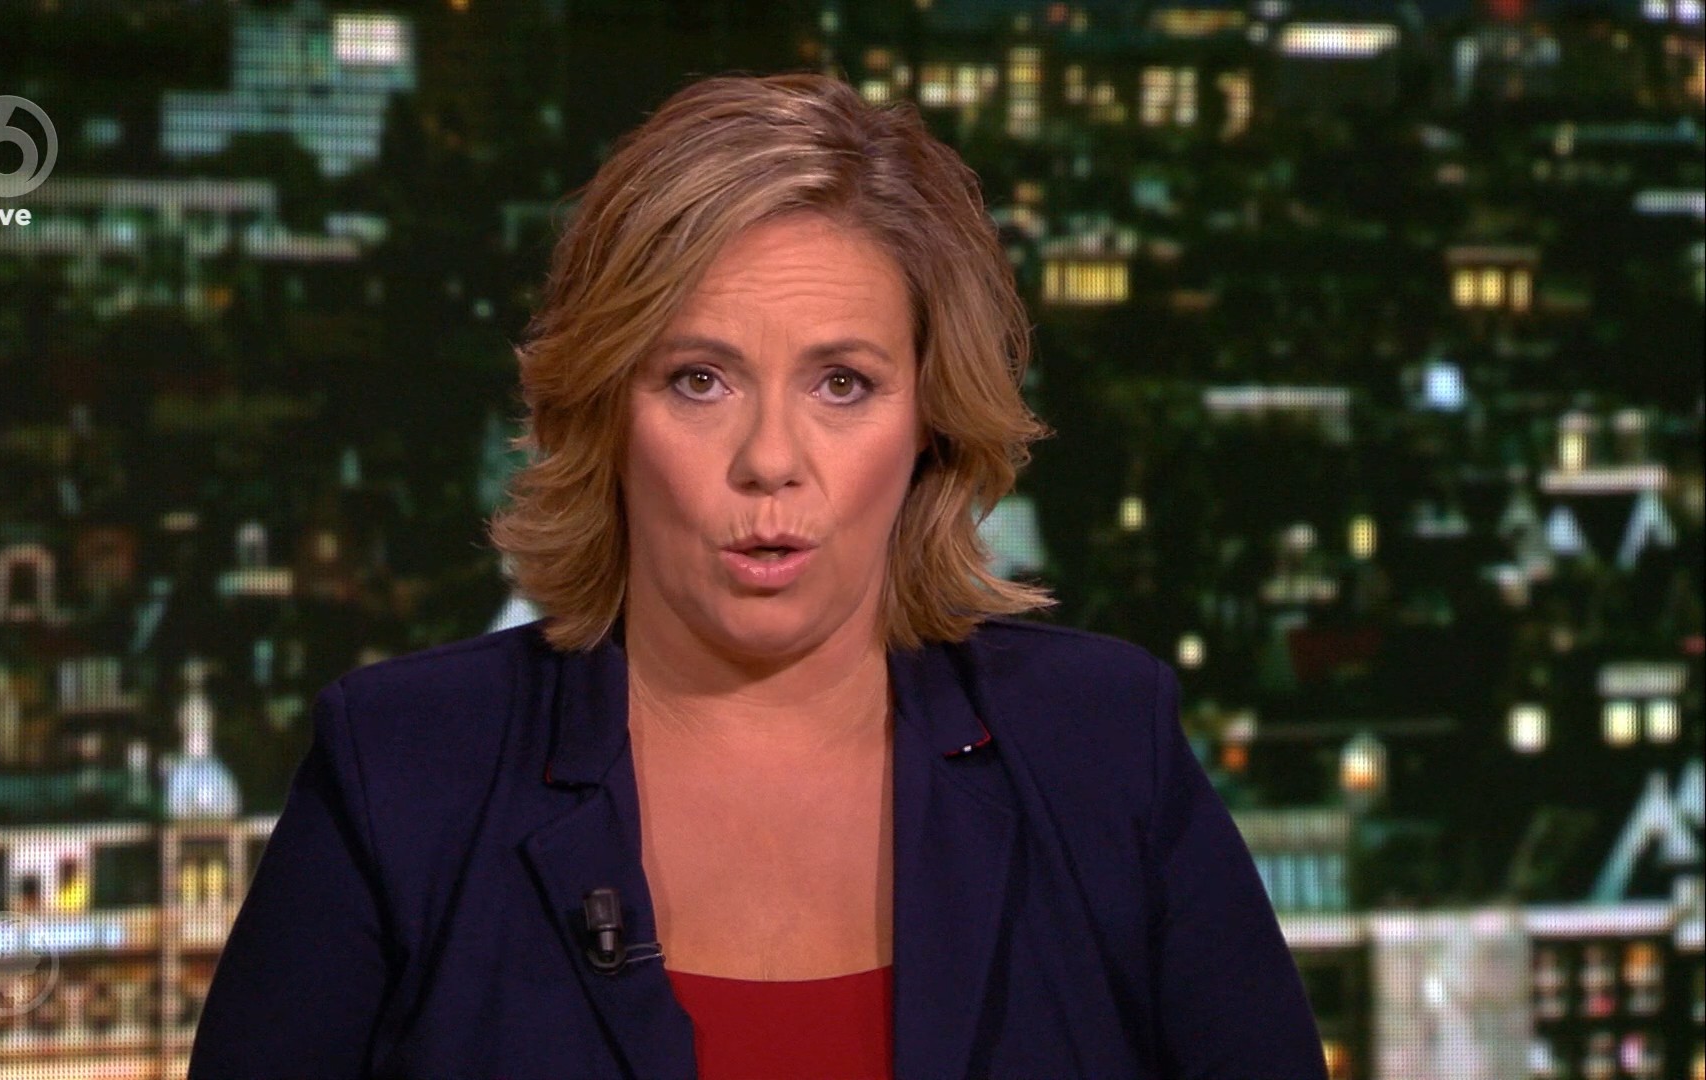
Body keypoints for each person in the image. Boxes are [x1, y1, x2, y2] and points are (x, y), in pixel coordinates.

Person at [188, 71, 1327, 1080]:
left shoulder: (1100, 752)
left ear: (931, 421)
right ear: (605, 413)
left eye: (842, 384)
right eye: (699, 379)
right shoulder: (404, 773)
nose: (771, 459)